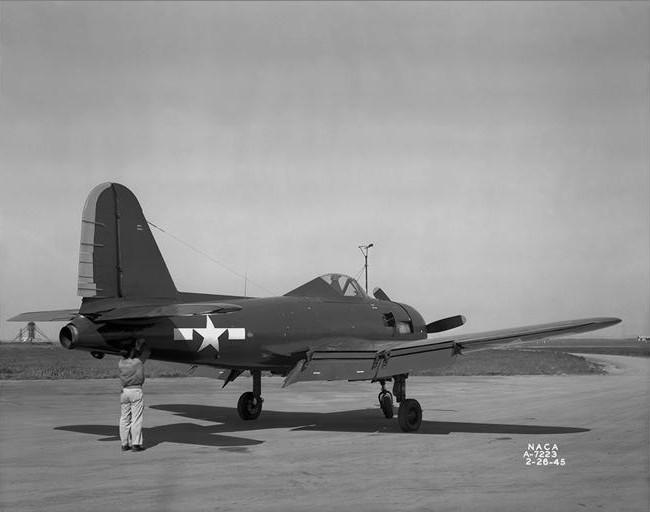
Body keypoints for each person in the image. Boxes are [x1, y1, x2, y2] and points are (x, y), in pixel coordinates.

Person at [118, 338, 151, 452]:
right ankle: (136, 444)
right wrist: (141, 343)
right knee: (136, 419)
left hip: (124, 392)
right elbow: (147, 352)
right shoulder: (137, 362)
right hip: (135, 391)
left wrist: (135, 348)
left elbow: (130, 355)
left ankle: (124, 443)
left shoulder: (121, 363)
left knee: (124, 418)